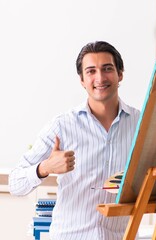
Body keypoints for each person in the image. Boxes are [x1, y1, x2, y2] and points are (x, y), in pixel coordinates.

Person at [9, 41, 140, 239]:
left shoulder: (142, 124)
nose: (100, 78)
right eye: (91, 71)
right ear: (81, 80)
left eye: (107, 69)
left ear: (120, 74)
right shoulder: (62, 126)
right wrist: (45, 167)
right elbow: (15, 184)